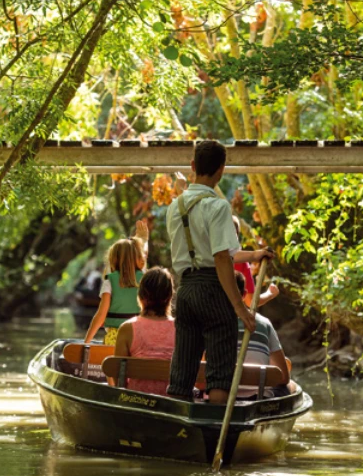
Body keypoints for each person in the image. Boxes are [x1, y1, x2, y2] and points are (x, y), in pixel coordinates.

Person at [165, 140, 274, 404]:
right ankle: (215, 431)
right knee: (220, 371)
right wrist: (240, 308)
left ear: (193, 166)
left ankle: (178, 429)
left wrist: (255, 255)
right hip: (214, 290)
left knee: (182, 370)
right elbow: (221, 258)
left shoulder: (174, 207)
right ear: (221, 170)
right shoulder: (218, 207)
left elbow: (226, 252)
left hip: (186, 290)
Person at [84, 220, 149, 345]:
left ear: (113, 259)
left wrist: (86, 342)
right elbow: (144, 258)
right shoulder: (145, 280)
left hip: (116, 339)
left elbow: (100, 316)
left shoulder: (109, 282)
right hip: (139, 337)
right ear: (138, 258)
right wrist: (144, 241)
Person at [113, 267, 176, 396]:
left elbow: (117, 375)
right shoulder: (181, 328)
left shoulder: (127, 328)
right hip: (171, 401)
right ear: (170, 297)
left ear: (141, 295)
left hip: (135, 400)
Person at [233, 271, 290, 399]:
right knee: (289, 386)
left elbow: (201, 382)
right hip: (259, 398)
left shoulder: (212, 324)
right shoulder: (264, 323)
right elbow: (284, 377)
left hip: (221, 399)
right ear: (245, 295)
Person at [232, 215, 281, 309]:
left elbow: (251, 301)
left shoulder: (204, 253)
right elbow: (251, 301)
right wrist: (270, 293)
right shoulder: (241, 261)